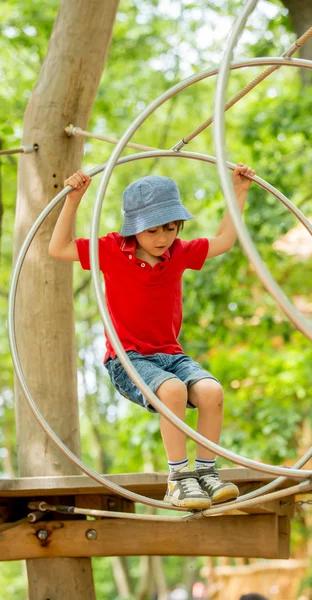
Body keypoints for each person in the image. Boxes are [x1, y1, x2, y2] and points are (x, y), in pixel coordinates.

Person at [49, 163, 255, 510]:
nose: (163, 239)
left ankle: (205, 473)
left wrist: (240, 191)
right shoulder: (112, 250)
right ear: (134, 230)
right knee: (173, 390)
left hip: (170, 356)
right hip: (128, 359)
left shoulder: (178, 253)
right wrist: (74, 200)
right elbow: (59, 248)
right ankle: (178, 480)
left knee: (211, 392)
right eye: (153, 231)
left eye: (171, 228)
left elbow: (224, 240)